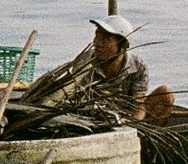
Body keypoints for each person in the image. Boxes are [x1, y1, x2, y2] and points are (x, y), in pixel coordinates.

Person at [22, 14, 151, 120]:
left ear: (122, 47)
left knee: (165, 94)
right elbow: (72, 94)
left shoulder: (137, 67)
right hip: (95, 116)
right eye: (97, 36)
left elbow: (138, 104)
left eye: (105, 40)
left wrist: (133, 125)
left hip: (124, 116)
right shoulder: (86, 62)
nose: (97, 44)